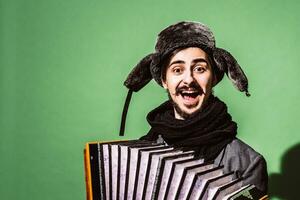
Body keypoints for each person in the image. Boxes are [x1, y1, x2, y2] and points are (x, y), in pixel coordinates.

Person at [120, 21, 268, 194]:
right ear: (164, 81)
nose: (189, 79)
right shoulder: (137, 159)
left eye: (199, 68)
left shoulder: (248, 164)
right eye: (177, 70)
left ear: (214, 78)